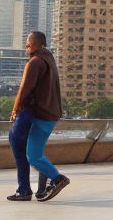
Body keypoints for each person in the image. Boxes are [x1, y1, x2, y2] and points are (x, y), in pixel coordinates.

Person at [7, 32, 69, 203]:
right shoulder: (49, 59)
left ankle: (57, 179)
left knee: (29, 153)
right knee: (31, 151)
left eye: (29, 42)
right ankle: (30, 189)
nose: (26, 45)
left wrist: (15, 109)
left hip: (37, 114)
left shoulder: (35, 62)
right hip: (48, 114)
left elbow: (24, 88)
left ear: (39, 45)